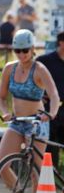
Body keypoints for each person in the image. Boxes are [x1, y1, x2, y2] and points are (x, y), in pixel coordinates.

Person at [0, 29, 59, 193]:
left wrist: (51, 113)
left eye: (25, 50)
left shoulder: (39, 69)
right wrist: (6, 112)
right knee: (1, 163)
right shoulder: (10, 68)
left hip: (37, 123)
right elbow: (0, 97)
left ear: (32, 49)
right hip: (17, 122)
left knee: (36, 170)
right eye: (17, 50)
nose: (22, 54)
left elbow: (54, 95)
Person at [36, 31, 64, 169]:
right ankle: (49, 180)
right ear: (61, 43)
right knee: (50, 147)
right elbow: (33, 77)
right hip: (50, 110)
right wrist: (38, 95)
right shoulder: (45, 61)